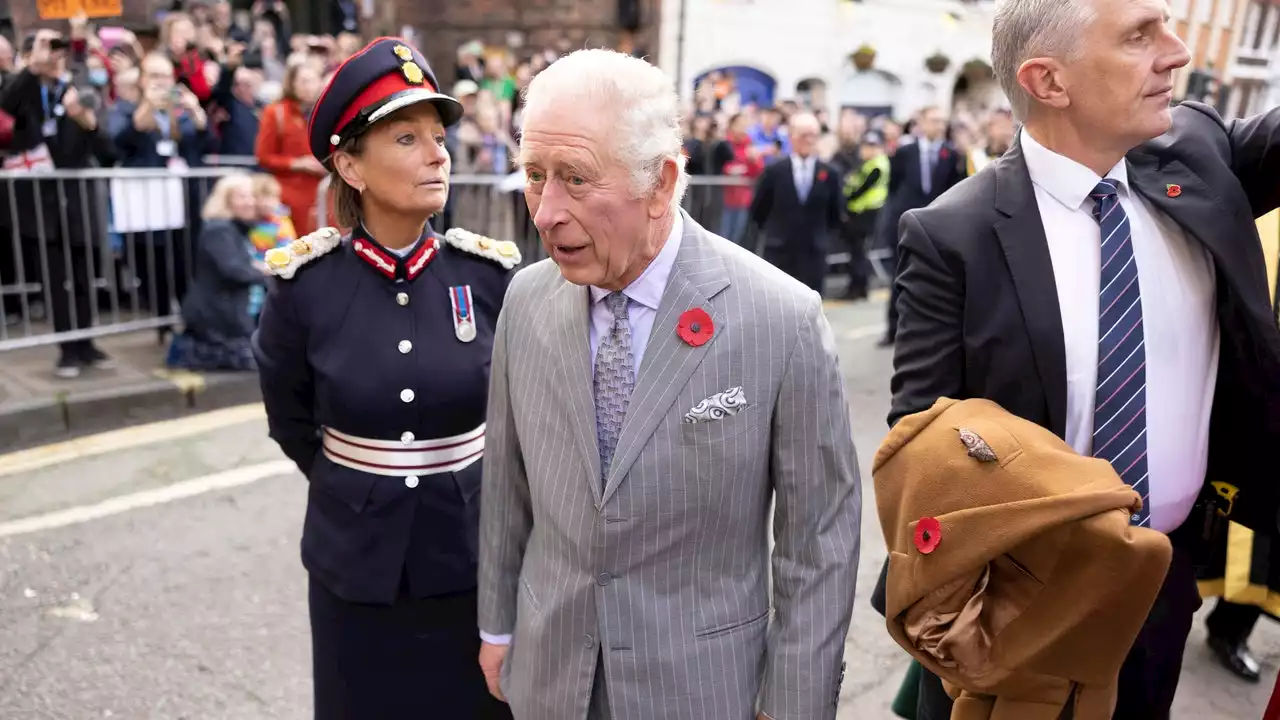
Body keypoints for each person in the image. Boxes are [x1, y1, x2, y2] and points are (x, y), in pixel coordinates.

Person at [883, 0, 1280, 717]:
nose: (1177, 50)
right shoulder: (953, 236)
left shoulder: (1199, 157)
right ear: (1049, 81)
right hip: (1024, 598)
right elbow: (923, 445)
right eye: (1139, 36)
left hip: (1163, 580)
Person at [477, 49, 862, 720]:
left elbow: (818, 544)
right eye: (535, 176)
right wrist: (498, 626)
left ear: (662, 183)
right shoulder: (525, 300)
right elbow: (507, 489)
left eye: (574, 177)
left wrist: (795, 703)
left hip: (704, 690)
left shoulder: (780, 318)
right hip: (548, 677)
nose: (545, 212)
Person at [251, 37, 519, 720]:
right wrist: (356, 488)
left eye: (438, 136)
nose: (438, 154)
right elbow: (291, 420)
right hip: (354, 568)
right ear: (350, 165)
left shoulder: (488, 278)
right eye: (408, 137)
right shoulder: (305, 289)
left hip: (469, 561)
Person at [878, 105, 964, 346]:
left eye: (941, 121)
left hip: (938, 225)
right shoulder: (905, 152)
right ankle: (893, 328)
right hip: (906, 223)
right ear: (921, 123)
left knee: (937, 279)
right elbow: (893, 187)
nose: (938, 125)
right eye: (933, 120)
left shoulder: (952, 154)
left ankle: (931, 332)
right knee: (900, 276)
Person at [167, 174, 265, 371]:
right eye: (243, 197)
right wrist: (270, 273)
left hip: (228, 310)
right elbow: (234, 270)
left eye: (252, 196)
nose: (251, 202)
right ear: (226, 201)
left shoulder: (233, 228)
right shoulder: (219, 230)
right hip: (217, 313)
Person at [748, 111, 844, 294]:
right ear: (791, 136)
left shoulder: (830, 173)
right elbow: (759, 210)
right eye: (803, 135)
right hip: (780, 252)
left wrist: (821, 238)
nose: (808, 140)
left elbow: (835, 213)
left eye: (813, 135)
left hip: (813, 253)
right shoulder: (774, 171)